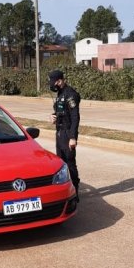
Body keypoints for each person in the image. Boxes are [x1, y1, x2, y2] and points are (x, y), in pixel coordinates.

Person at [48, 69, 81, 200]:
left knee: (70, 164)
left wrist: (73, 138)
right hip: (59, 133)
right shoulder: (60, 94)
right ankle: (65, 192)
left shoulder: (70, 95)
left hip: (68, 134)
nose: (52, 85)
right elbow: (61, 112)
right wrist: (53, 116)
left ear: (60, 80)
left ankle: (75, 193)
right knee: (61, 164)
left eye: (53, 82)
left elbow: (75, 117)